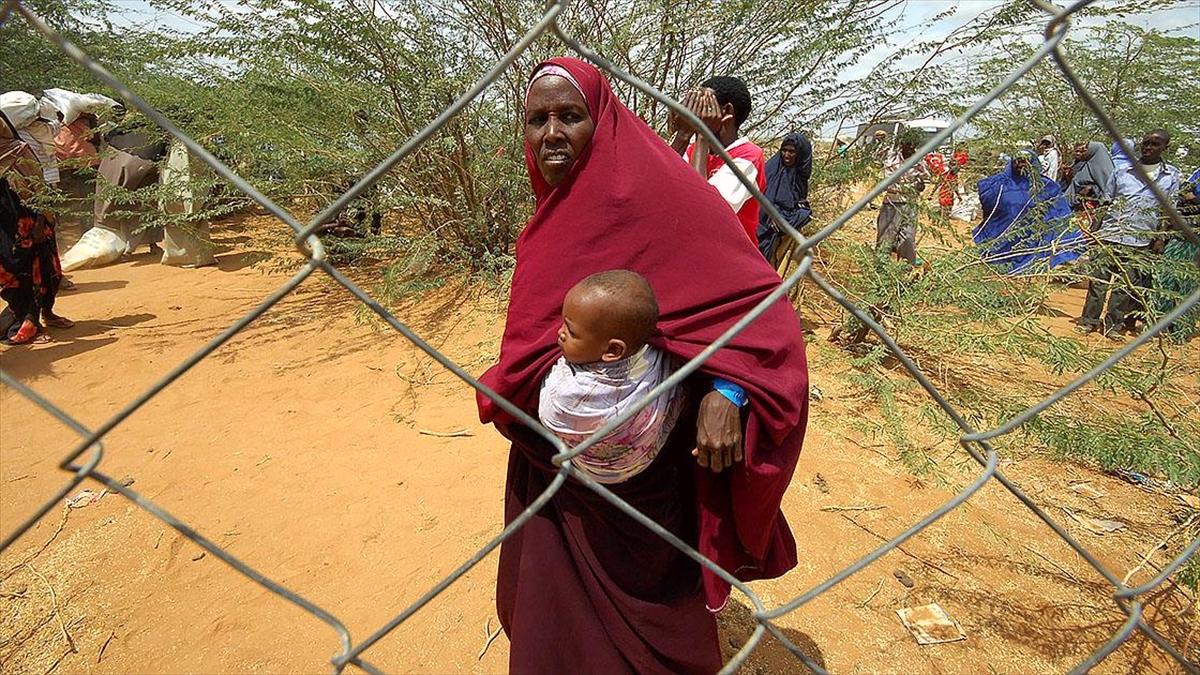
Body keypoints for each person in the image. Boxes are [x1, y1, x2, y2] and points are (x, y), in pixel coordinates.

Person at [480, 57, 809, 673]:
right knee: (560, 619)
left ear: (602, 119)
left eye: (569, 116)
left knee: (657, 616)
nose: (551, 132)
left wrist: (730, 391)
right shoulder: (547, 225)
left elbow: (759, 311)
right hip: (557, 467)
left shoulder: (671, 198)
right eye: (536, 120)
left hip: (657, 472)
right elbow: (525, 352)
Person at [538, 270, 686, 485]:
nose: (559, 333)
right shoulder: (659, 359)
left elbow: (547, 415)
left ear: (613, 351)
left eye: (571, 332)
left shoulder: (565, 394)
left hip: (593, 476)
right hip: (650, 465)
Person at [1077, 130, 1181, 338]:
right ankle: (1089, 320)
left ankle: (1113, 326)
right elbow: (1106, 202)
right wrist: (1095, 232)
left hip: (1141, 238)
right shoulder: (1122, 171)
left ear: (1165, 148)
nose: (1149, 148)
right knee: (1099, 281)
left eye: (1155, 144)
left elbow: (1168, 210)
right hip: (1110, 233)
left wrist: (1160, 238)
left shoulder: (1171, 176)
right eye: (1146, 143)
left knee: (1125, 286)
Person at [668, 76, 766, 244]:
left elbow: (704, 211)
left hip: (729, 256)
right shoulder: (692, 149)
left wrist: (702, 134)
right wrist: (682, 136)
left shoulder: (749, 157)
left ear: (727, 111)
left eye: (702, 104)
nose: (694, 110)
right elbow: (656, 184)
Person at [0, 112, 71, 344]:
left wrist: (41, 220)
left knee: (46, 270)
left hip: (32, 221)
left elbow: (38, 187)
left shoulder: (18, 149)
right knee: (13, 273)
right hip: (7, 229)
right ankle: (26, 321)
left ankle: (43, 316)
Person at [974, 149, 1082, 274]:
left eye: (1025, 162)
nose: (1021, 165)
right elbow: (987, 202)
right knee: (997, 257)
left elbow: (1059, 212)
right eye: (1018, 161)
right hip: (1002, 230)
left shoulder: (1046, 186)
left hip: (1030, 234)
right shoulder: (998, 183)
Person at [1153, 167, 1200, 342]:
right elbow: (1181, 197)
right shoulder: (1197, 173)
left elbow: (1190, 199)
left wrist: (1194, 200)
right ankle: (1161, 325)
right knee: (1165, 278)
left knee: (1189, 284)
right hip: (1179, 235)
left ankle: (1182, 330)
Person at [756, 132, 812, 263]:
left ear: (801, 154)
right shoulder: (771, 170)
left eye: (792, 152)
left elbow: (796, 203)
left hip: (780, 235)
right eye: (784, 150)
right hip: (761, 227)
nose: (786, 155)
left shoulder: (799, 177)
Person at [876, 130, 928, 265]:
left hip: (910, 204)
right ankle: (880, 266)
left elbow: (925, 177)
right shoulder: (892, 160)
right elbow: (887, 183)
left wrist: (921, 185)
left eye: (913, 145)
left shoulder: (919, 161)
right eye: (908, 145)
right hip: (892, 203)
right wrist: (910, 187)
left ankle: (906, 267)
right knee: (886, 236)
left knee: (908, 238)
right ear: (902, 145)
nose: (911, 148)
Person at [1064, 141, 1115, 232]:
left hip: (1086, 210)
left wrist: (1091, 189)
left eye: (1086, 149)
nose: (1084, 151)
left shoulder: (1104, 170)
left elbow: (1107, 193)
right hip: (1073, 205)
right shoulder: (1087, 165)